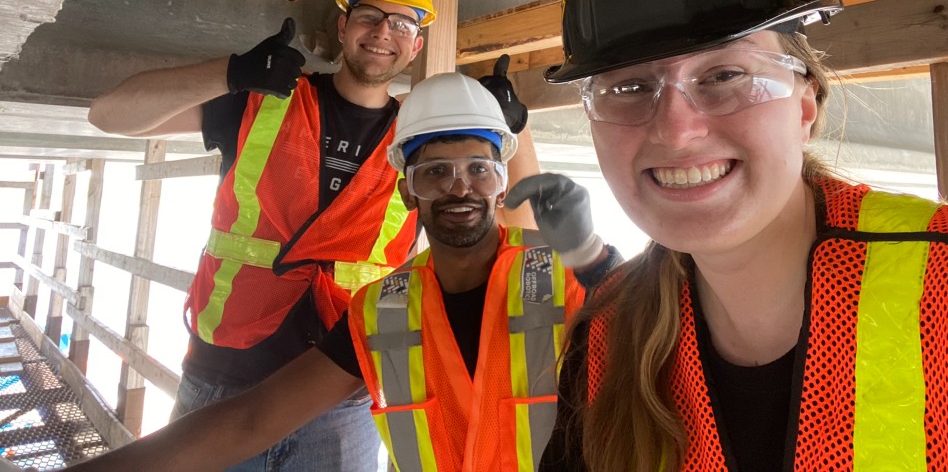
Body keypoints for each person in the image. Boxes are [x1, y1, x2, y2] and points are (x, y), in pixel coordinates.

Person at [529, 0, 948, 472]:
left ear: (805, 105)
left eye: (725, 76)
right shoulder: (606, 340)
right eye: (628, 85)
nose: (676, 130)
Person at [69, 72, 618, 471]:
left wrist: (595, 256)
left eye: (479, 169)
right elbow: (252, 420)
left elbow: (667, 335)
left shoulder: (565, 280)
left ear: (502, 181)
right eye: (436, 172)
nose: (459, 187)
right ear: (407, 190)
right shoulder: (383, 314)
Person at [88, 0, 443, 471]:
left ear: (415, 45)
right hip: (223, 381)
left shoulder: (422, 141)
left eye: (402, 22)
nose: (382, 32)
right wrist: (231, 72)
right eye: (369, 16)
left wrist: (507, 130)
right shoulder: (267, 97)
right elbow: (108, 114)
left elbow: (499, 226)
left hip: (342, 393)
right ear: (344, 26)